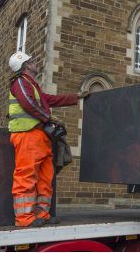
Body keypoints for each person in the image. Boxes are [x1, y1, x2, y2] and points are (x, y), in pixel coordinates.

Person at [8, 51, 88, 227]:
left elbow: (50, 99)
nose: (35, 63)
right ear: (26, 66)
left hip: (39, 137)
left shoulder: (31, 84)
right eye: (32, 61)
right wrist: (49, 118)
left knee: (45, 178)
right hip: (27, 135)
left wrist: (76, 97)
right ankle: (24, 218)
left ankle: (42, 214)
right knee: (26, 176)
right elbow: (28, 103)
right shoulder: (20, 82)